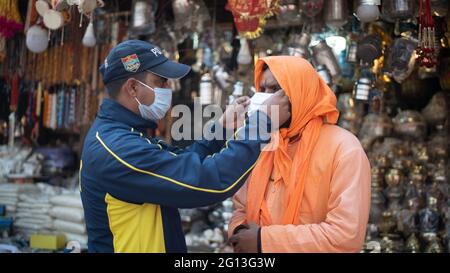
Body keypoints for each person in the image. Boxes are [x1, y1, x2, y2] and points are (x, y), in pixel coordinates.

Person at [79, 40, 290, 253]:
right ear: (133, 87)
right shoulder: (117, 148)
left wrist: (222, 129)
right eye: (161, 82)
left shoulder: (126, 134)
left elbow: (181, 163)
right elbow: (208, 180)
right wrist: (262, 122)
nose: (168, 88)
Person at [228, 56, 371, 253]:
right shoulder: (262, 144)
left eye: (274, 90)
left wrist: (264, 241)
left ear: (299, 93)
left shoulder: (344, 148)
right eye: (262, 90)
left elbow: (345, 236)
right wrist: (241, 233)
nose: (265, 99)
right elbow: (240, 209)